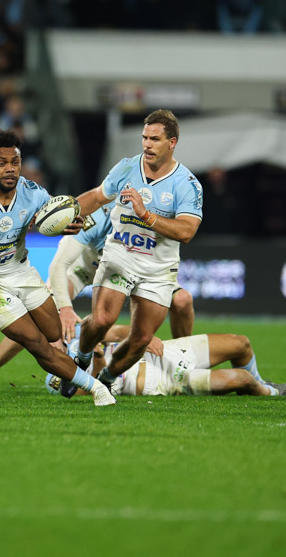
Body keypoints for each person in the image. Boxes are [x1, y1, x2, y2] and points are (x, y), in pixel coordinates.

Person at [0, 129, 116, 406]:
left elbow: (50, 219)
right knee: (38, 344)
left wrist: (67, 226)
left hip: (21, 270)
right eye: (2, 163)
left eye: (15, 163)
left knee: (53, 333)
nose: (10, 169)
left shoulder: (33, 193)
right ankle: (96, 389)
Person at [0, 204, 197, 392]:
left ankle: (184, 360)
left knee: (183, 300)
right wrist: (64, 308)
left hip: (135, 270)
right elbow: (58, 265)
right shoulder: (99, 217)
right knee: (41, 317)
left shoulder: (148, 213)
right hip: (86, 268)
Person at [72, 109, 203, 393]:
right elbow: (96, 197)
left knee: (141, 338)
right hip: (121, 254)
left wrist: (147, 216)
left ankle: (106, 379)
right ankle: (80, 359)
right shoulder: (127, 168)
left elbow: (187, 231)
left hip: (158, 268)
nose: (147, 144)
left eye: (155, 139)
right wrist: (68, 212)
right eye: (144, 137)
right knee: (104, 319)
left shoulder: (188, 184)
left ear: (172, 143)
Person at [49, 331, 286, 398]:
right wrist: (95, 355)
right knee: (242, 380)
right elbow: (88, 388)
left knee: (240, 343)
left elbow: (120, 328)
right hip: (164, 381)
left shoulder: (77, 331)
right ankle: (270, 391)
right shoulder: (54, 379)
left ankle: (263, 382)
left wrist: (143, 336)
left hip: (167, 352)